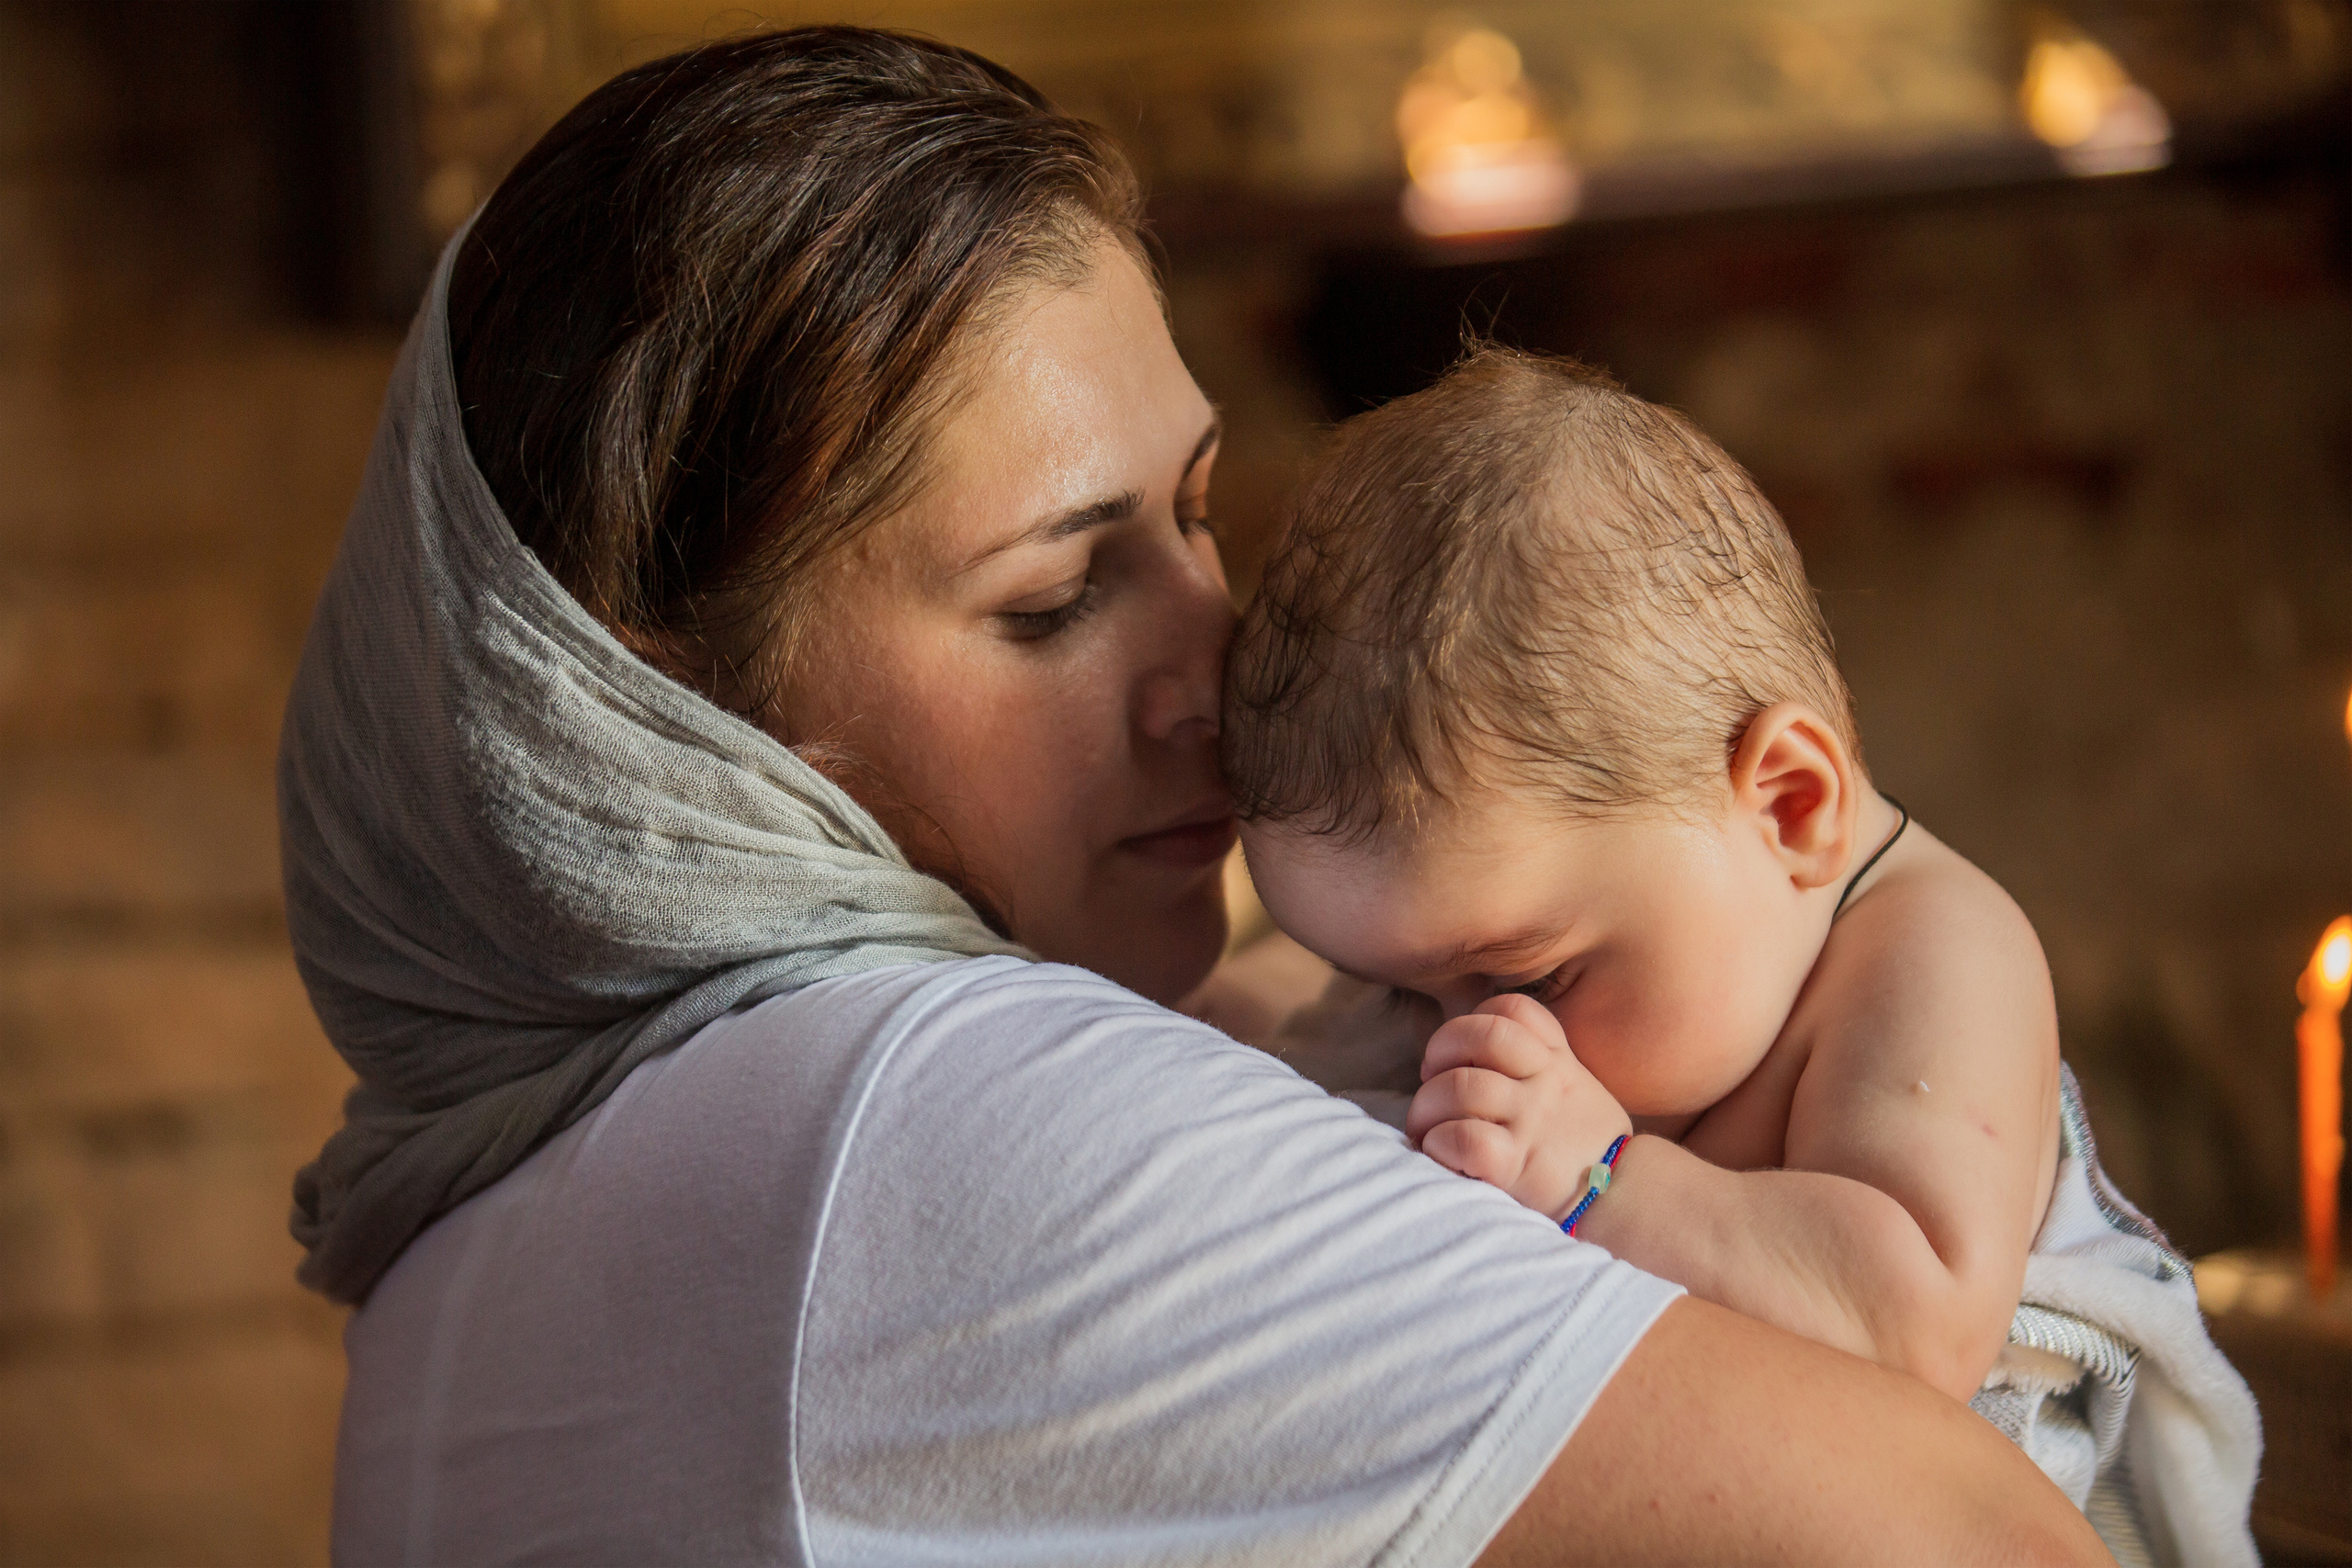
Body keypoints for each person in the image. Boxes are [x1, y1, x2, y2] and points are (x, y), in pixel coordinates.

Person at [279, 27, 2110, 1565]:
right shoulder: (947, 1123)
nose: (1214, 659)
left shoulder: (486, 1231)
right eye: (1051, 596)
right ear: (666, 715)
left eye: (1199, 512)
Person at [1222, 348, 2259, 1565]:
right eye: (1399, 984)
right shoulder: (1547, 931)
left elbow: (1914, 1325)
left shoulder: (1935, 957)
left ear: (1788, 803)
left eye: (1536, 978)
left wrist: (1603, 1178)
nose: (1470, 1031)